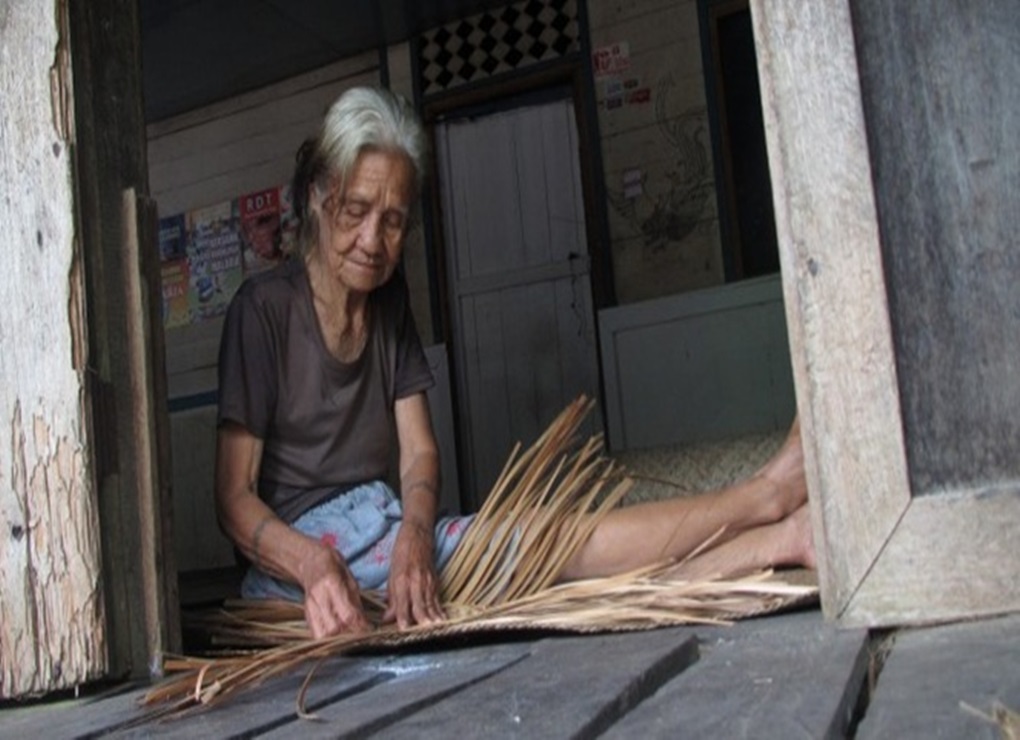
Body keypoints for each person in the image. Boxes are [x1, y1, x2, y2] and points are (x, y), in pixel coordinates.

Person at [214, 86, 815, 641]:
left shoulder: (387, 299)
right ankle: (766, 505)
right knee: (546, 559)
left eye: (394, 221)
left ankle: (781, 529)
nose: (374, 240)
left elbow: (419, 451)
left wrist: (416, 538)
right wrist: (314, 562)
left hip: (388, 528)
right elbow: (234, 499)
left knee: (552, 558)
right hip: (300, 564)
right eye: (357, 210)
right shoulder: (262, 311)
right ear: (320, 196)